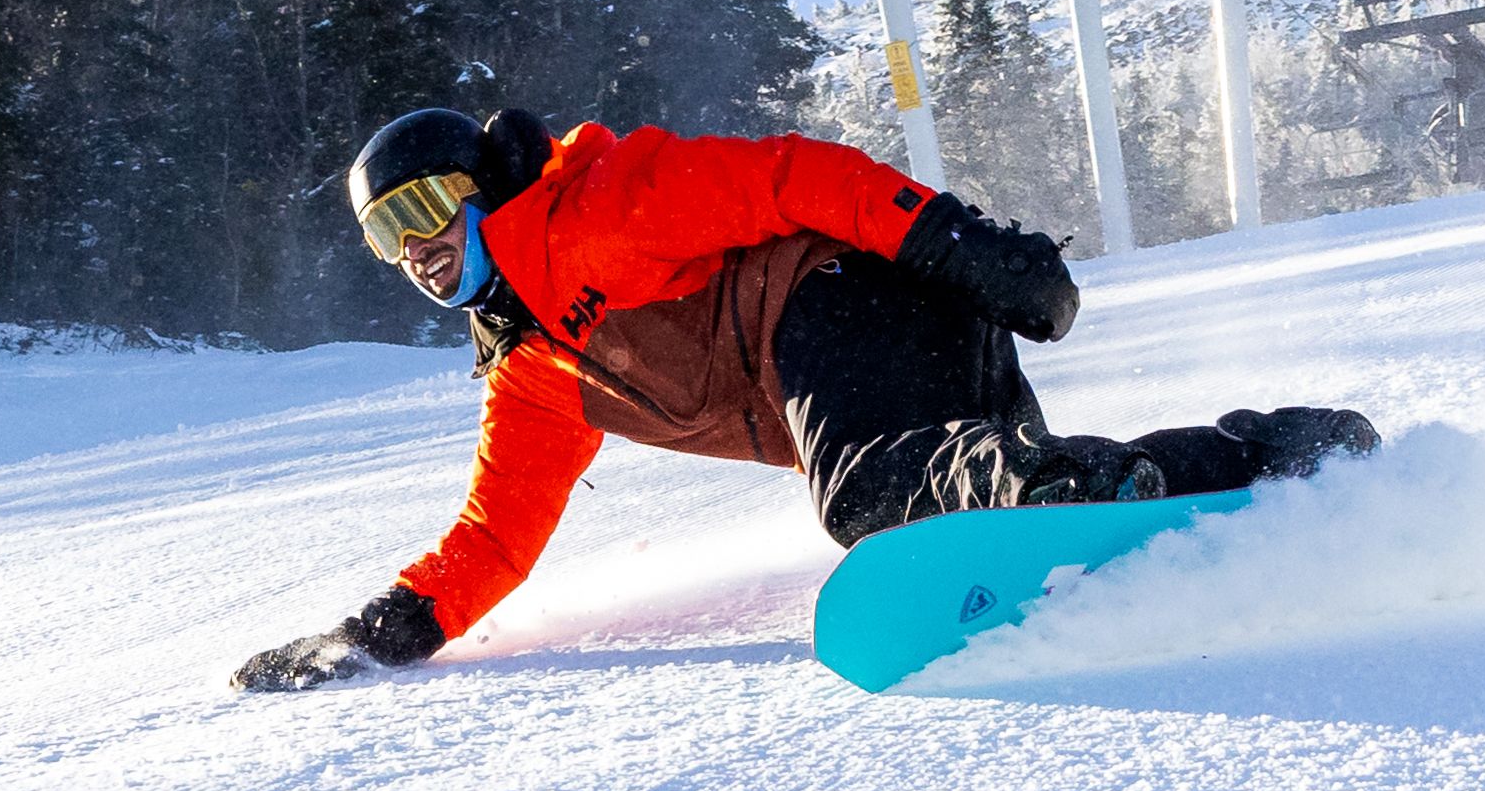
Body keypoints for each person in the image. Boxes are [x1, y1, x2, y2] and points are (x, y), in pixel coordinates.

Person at [230, 103, 1379, 691]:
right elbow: (493, 537)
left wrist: (958, 242)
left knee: (871, 493)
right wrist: (373, 636)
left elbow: (791, 176)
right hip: (880, 357)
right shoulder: (533, 372)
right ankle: (1269, 451)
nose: (413, 246)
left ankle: (1039, 482)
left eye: (422, 207)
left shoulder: (595, 212)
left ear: (483, 188)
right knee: (1005, 487)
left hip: (853, 289)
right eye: (383, 235)